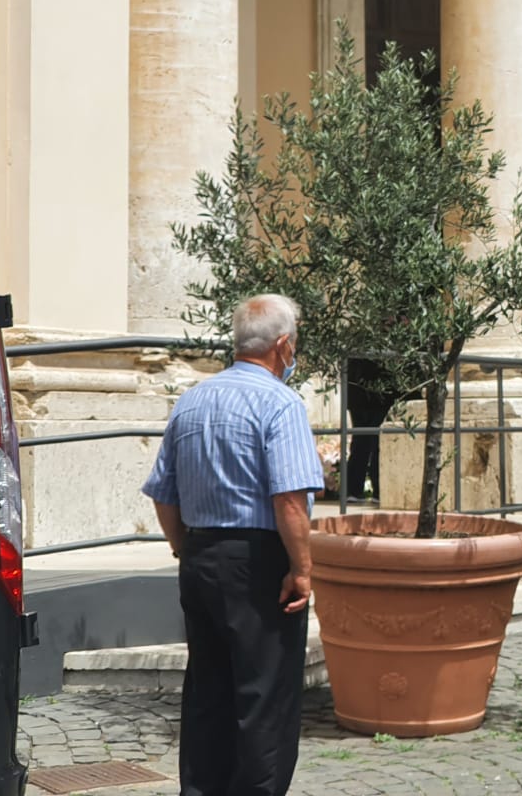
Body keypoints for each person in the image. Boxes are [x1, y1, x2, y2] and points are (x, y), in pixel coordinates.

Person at [141, 294, 325, 796]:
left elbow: (164, 494)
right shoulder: (280, 402)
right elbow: (289, 499)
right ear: (283, 345)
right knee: (264, 696)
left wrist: (185, 548)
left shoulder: (193, 400)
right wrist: (302, 569)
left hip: (201, 556)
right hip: (258, 560)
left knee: (207, 691)